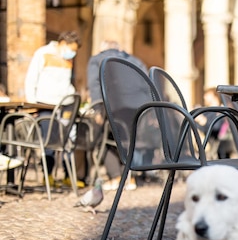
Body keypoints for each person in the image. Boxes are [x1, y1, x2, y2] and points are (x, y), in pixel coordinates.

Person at [87, 40, 147, 191]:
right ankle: (130, 178)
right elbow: (147, 83)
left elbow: (95, 84)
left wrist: (98, 108)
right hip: (137, 107)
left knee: (105, 138)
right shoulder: (134, 61)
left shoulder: (97, 59)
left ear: (103, 48)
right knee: (129, 139)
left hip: (112, 105)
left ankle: (116, 177)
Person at [24, 30, 82, 187]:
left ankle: (67, 175)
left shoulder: (67, 60)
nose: (73, 54)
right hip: (45, 104)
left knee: (67, 140)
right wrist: (32, 104)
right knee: (49, 140)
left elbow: (65, 83)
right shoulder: (43, 53)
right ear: (63, 43)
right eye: (72, 49)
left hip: (65, 105)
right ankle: (47, 176)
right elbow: (31, 78)